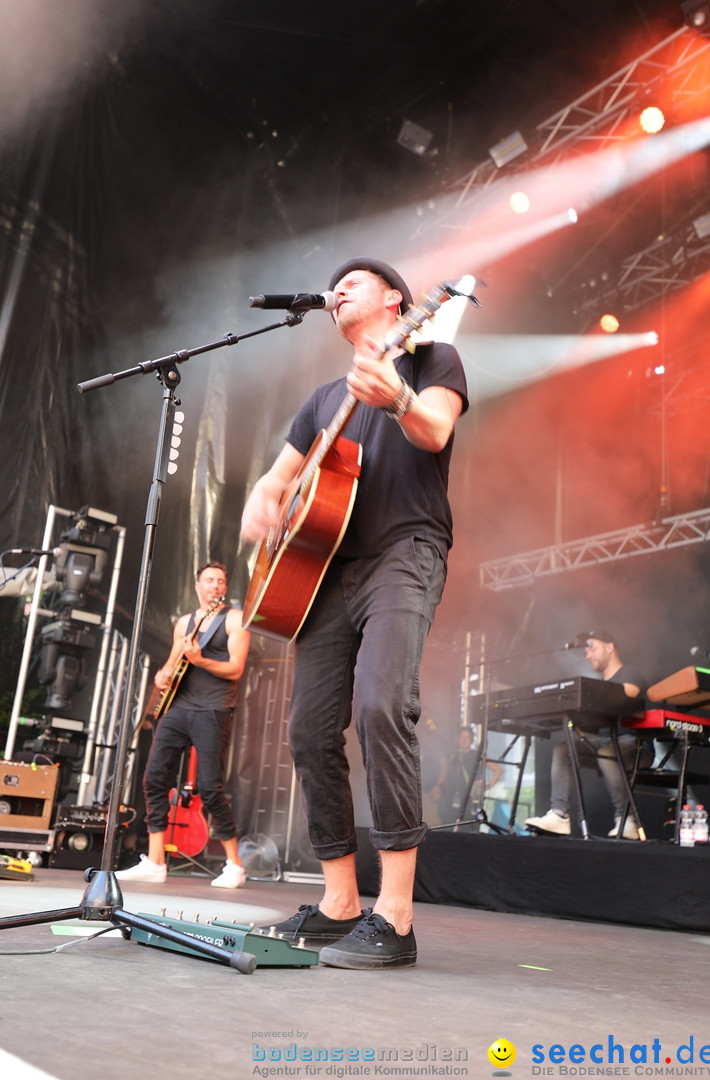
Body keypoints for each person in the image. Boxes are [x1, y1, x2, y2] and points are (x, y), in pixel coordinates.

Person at [240, 257, 468, 968]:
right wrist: (264, 498)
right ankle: (340, 902)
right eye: (333, 286)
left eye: (356, 281)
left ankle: (394, 917)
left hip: (406, 548)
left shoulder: (433, 355)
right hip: (325, 573)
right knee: (308, 730)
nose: (337, 289)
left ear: (398, 300)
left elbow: (433, 429)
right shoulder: (320, 400)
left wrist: (398, 398)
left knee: (379, 705)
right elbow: (279, 478)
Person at [116, 561, 251, 888]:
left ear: (225, 586)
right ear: (197, 585)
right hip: (179, 708)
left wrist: (201, 659)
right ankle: (156, 861)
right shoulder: (185, 623)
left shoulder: (234, 620)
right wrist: (161, 677)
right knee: (154, 777)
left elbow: (235, 669)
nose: (215, 585)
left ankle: (234, 865)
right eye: (209, 580)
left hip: (213, 710)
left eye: (221, 580)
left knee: (209, 786)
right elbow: (173, 663)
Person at [524, 629, 651, 840]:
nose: (588, 655)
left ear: (610, 647)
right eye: (586, 651)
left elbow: (623, 697)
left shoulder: (631, 674)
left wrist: (587, 698)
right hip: (605, 742)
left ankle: (626, 819)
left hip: (636, 745)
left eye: (592, 648)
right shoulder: (598, 685)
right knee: (564, 749)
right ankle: (559, 815)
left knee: (608, 753)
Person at [432, 725, 503, 825]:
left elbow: (498, 770)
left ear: (472, 740)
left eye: (467, 737)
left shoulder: (479, 756)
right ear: (458, 739)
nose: (464, 740)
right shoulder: (453, 756)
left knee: (469, 827)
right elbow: (446, 773)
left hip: (472, 800)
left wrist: (487, 786)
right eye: (462, 737)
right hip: (454, 800)